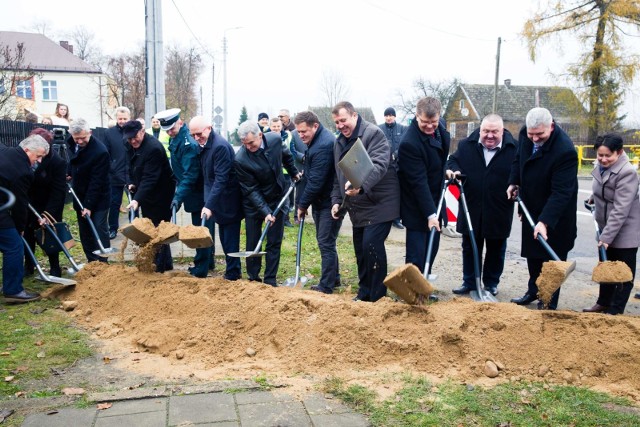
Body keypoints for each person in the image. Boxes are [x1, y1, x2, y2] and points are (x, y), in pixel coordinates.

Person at [507, 107, 578, 310]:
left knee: (551, 260)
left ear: (552, 127)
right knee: (533, 255)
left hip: (556, 214)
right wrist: (514, 181)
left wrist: (545, 221)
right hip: (532, 205)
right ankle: (533, 290)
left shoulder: (565, 151)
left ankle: (548, 301)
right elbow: (517, 160)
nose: (535, 138)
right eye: (532, 134)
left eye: (540, 134)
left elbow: (562, 193)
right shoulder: (525, 134)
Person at [330, 101, 400, 302]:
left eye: (343, 120)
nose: (341, 125)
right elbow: (338, 176)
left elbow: (379, 165)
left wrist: (360, 184)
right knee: (360, 249)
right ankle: (364, 292)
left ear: (354, 116)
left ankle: (378, 296)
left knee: (371, 245)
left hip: (380, 202)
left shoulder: (373, 134)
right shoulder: (339, 142)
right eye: (337, 122)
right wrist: (336, 201)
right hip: (358, 205)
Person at [446, 114, 517, 297]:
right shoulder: (466, 145)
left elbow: (523, 173)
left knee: (496, 248)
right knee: (470, 246)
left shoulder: (514, 149)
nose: (490, 136)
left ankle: (491, 283)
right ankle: (469, 281)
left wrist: (517, 186)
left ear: (502, 131)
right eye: (486, 131)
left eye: (495, 132)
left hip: (499, 208)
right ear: (480, 130)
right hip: (471, 206)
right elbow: (452, 161)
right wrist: (454, 170)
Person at [235, 120, 300, 286]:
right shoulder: (241, 159)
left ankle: (270, 280)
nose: (248, 147)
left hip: (277, 197)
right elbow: (250, 190)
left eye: (251, 143)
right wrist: (265, 212)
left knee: (274, 241)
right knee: (253, 241)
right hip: (253, 204)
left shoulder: (275, 140)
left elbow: (286, 156)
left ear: (260, 135)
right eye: (244, 144)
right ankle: (253, 278)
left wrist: (293, 173)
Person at [583, 133, 640, 315]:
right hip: (605, 227)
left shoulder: (627, 173)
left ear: (619, 152)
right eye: (600, 155)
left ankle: (616, 310)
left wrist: (606, 237)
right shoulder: (600, 167)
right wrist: (594, 197)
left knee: (622, 272)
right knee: (606, 267)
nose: (603, 159)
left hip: (624, 230)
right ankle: (603, 302)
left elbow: (621, 209)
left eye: (608, 155)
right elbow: (604, 189)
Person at [398, 97, 450, 282]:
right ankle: (411, 289)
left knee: (432, 246)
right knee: (417, 253)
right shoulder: (409, 143)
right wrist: (430, 215)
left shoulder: (441, 130)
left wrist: (446, 170)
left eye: (433, 122)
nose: (429, 126)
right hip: (417, 206)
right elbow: (418, 182)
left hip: (435, 199)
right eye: (424, 122)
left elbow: (440, 158)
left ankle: (423, 284)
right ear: (416, 116)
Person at [155, 108, 210, 277]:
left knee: (200, 231)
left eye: (172, 128)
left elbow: (190, 176)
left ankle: (201, 269)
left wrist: (178, 198)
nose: (170, 132)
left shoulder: (188, 143)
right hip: (191, 192)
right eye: (167, 130)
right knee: (201, 228)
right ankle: (209, 262)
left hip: (197, 193)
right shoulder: (176, 139)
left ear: (180, 122)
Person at [190, 116, 244, 281]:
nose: (196, 138)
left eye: (199, 133)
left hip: (229, 201)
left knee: (229, 240)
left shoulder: (219, 146)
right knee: (225, 238)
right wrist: (208, 203)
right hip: (220, 201)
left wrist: (209, 205)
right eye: (193, 135)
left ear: (209, 128)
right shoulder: (206, 145)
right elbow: (208, 178)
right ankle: (232, 271)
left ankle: (233, 273)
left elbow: (221, 179)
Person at [295, 111, 343, 294]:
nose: (301, 135)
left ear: (315, 126)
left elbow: (316, 182)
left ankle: (326, 285)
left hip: (329, 202)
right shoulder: (318, 140)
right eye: (298, 132)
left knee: (325, 242)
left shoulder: (323, 145)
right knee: (328, 241)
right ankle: (334, 278)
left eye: (304, 131)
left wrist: (301, 205)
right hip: (324, 200)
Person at [0, 135, 50, 303]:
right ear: (27, 150)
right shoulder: (23, 171)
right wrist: (20, 227)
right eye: (38, 156)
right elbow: (20, 204)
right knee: (14, 246)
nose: (39, 161)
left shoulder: (4, 151)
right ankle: (13, 290)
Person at [122, 120, 175, 272]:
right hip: (146, 193)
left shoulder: (153, 148)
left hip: (161, 193)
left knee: (159, 229)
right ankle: (164, 263)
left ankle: (159, 267)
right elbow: (131, 167)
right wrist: (132, 183)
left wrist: (137, 199)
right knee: (150, 227)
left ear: (142, 132)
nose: (132, 141)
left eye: (135, 137)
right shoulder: (130, 145)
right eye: (129, 138)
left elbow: (150, 178)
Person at [23, 128, 67, 278]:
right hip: (29, 204)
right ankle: (29, 265)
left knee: (50, 235)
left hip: (48, 204)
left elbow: (58, 191)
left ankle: (55, 266)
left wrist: (48, 214)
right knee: (28, 235)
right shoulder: (25, 157)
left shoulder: (57, 162)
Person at [66, 118, 111, 263]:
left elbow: (96, 181)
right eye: (76, 138)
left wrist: (89, 206)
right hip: (80, 194)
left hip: (99, 196)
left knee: (98, 228)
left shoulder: (100, 152)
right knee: (85, 230)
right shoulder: (72, 143)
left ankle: (103, 262)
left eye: (82, 138)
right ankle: (92, 261)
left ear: (90, 133)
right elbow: (73, 161)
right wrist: (69, 172)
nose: (79, 141)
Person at [102, 106, 130, 239]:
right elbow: (105, 153)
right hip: (115, 173)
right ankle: (112, 228)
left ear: (129, 118)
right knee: (114, 203)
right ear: (116, 118)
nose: (122, 121)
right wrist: (111, 167)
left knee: (134, 201)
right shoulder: (109, 133)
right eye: (120, 118)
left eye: (125, 118)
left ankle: (135, 227)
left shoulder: (134, 131)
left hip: (131, 173)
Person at [379, 107, 407, 230]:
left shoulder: (402, 129)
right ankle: (385, 217)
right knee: (385, 193)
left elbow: (405, 144)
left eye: (391, 115)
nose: (389, 117)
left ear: (395, 116)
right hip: (384, 166)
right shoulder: (379, 129)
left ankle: (397, 218)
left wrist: (396, 153)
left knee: (398, 193)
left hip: (399, 166)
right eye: (386, 115)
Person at [270, 117, 294, 227]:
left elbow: (292, 152)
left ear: (281, 127)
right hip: (272, 174)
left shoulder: (288, 136)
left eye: (278, 126)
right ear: (270, 127)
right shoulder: (265, 138)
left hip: (286, 173)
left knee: (286, 197)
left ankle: (285, 219)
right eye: (274, 126)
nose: (276, 128)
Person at [290, 129, 307, 224]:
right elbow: (292, 150)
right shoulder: (293, 134)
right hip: (300, 166)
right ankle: (297, 216)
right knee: (300, 193)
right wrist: (302, 157)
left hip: (313, 166)